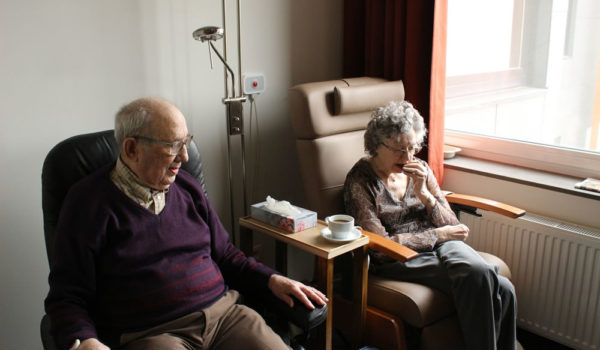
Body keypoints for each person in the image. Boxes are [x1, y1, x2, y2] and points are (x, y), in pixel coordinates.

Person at [45, 97, 327, 350]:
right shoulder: (88, 204)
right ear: (131, 149)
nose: (185, 157)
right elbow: (67, 296)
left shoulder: (186, 188)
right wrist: (83, 341)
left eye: (186, 142)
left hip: (226, 317)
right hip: (154, 335)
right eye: (172, 146)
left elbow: (226, 254)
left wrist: (271, 279)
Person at [343, 100, 517, 350]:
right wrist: (436, 235)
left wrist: (424, 194)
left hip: (442, 245)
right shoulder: (360, 181)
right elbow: (379, 248)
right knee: (493, 282)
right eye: (399, 150)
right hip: (401, 257)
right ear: (376, 145)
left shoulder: (420, 169)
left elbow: (453, 226)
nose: (408, 157)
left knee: (503, 288)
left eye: (413, 148)